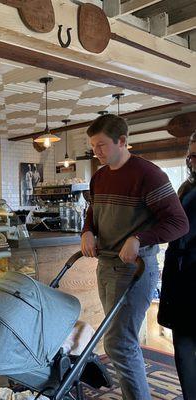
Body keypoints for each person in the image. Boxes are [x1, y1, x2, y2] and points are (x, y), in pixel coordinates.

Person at [81, 114, 188, 400]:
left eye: (101, 145)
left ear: (123, 141)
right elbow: (92, 212)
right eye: (93, 145)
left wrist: (139, 238)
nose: (96, 151)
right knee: (121, 341)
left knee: (119, 343)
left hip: (135, 270)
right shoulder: (99, 176)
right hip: (105, 267)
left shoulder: (149, 175)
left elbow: (179, 223)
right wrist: (86, 231)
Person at [158, 131, 196, 400]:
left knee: (186, 346)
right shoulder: (187, 188)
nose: (193, 161)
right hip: (183, 278)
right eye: (191, 155)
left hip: (192, 276)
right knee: (183, 347)